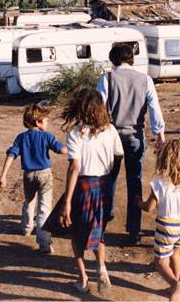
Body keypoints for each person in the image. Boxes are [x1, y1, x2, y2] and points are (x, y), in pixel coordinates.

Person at [96, 43, 166, 246]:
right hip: (136, 136)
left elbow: (98, 108)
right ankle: (133, 231)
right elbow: (154, 109)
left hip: (112, 137)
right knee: (134, 181)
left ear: (113, 59)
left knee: (109, 180)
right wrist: (159, 135)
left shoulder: (107, 79)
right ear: (131, 59)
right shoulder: (145, 80)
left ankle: (103, 224)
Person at [57, 87, 125, 293]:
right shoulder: (110, 130)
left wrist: (67, 201)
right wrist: (111, 176)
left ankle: (83, 279)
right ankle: (102, 268)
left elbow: (75, 167)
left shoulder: (76, 132)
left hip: (84, 187)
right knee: (99, 229)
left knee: (76, 233)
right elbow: (119, 155)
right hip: (104, 185)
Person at [137, 139, 180, 302]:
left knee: (160, 261)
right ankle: (175, 283)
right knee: (176, 254)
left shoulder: (159, 183)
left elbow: (149, 207)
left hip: (166, 225)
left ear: (164, 159)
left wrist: (138, 202)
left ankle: (175, 284)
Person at [0, 103, 67, 253]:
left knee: (29, 201)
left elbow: (11, 155)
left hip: (28, 175)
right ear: (38, 122)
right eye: (46, 120)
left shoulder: (21, 138)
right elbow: (61, 150)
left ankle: (26, 228)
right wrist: (74, 148)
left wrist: (3, 175)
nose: (48, 123)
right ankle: (44, 243)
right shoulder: (47, 137)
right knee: (44, 208)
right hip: (45, 174)